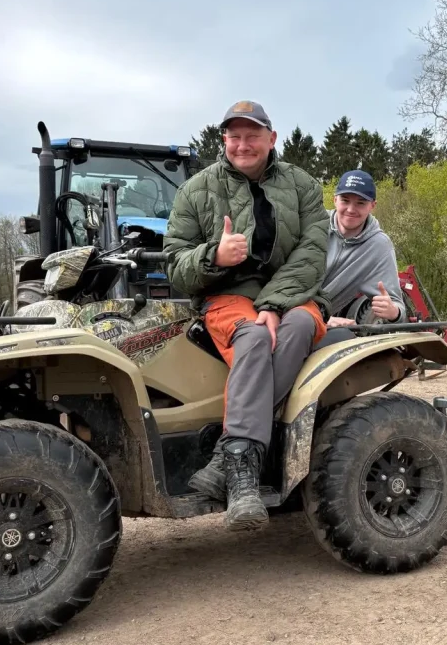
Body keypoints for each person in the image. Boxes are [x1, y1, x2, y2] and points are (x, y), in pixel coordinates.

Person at [164, 100, 330, 531]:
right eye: (234, 136)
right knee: (253, 339)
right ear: (224, 141)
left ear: (271, 139)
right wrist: (213, 256)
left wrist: (274, 304)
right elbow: (175, 266)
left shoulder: (304, 186)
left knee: (296, 326)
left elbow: (312, 253)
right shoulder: (196, 190)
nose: (243, 144)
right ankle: (244, 480)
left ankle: (228, 458)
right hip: (228, 294)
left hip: (295, 294)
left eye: (252, 135)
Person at [322, 170, 406, 328]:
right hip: (284, 309)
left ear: (372, 206)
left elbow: (397, 306)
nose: (351, 209)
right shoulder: (313, 224)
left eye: (360, 203)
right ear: (335, 200)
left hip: (313, 322)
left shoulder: (379, 246)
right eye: (345, 200)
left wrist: (393, 312)